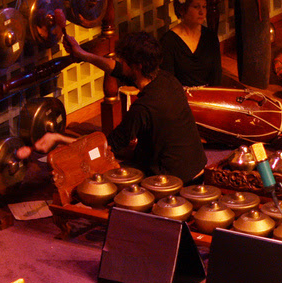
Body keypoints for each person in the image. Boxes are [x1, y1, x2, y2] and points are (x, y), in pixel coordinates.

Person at [20, 32, 207, 183]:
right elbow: (116, 69)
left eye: (124, 61)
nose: (120, 63)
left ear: (137, 66)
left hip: (174, 180)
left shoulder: (142, 109)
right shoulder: (167, 79)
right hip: (197, 167)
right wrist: (82, 55)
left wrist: (59, 138)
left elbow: (105, 148)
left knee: (96, 169)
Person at [159, 0, 223, 87]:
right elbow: (168, 81)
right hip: (181, 98)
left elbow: (216, 76)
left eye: (204, 6)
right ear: (182, 10)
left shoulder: (210, 37)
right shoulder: (168, 41)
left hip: (208, 97)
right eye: (196, 7)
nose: (202, 12)